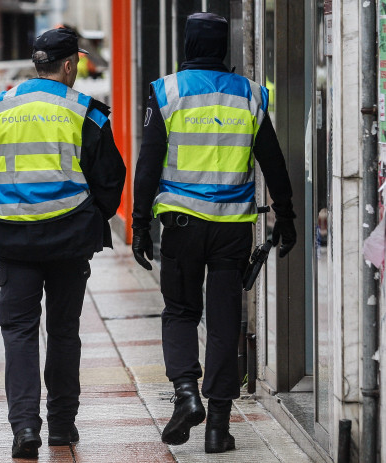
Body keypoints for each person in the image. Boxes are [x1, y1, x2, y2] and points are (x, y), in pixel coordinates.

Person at [131, 12, 297, 454]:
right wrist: (287, 215)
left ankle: (186, 392)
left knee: (181, 311)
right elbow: (274, 163)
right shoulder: (250, 95)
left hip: (183, 225)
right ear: (223, 47)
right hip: (232, 229)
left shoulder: (165, 92)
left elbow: (148, 166)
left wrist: (139, 224)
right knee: (224, 321)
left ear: (187, 45)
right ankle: (219, 428)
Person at [0, 28, 126, 459]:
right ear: (69, 65)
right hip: (70, 241)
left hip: (14, 241)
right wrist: (91, 215)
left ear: (38, 63)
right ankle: (62, 425)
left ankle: (24, 429)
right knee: (65, 332)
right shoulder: (84, 110)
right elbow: (111, 178)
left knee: (19, 332)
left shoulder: (0, 106)